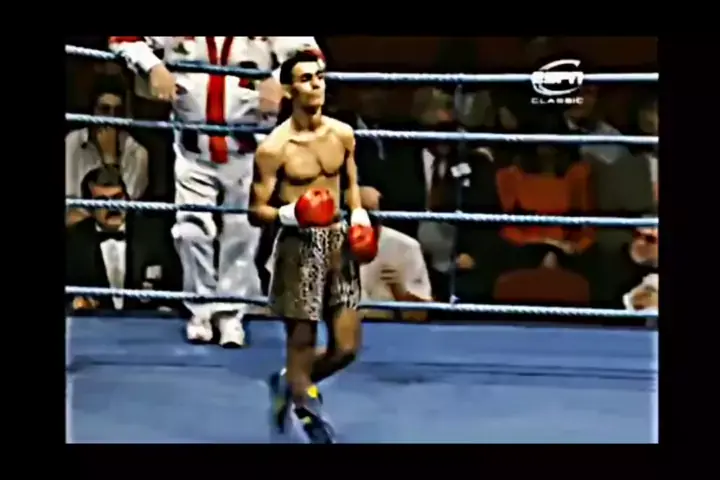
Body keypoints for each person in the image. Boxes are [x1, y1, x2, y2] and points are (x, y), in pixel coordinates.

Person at [109, 36, 321, 347]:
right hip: (193, 149)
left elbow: (311, 55)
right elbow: (122, 39)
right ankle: (200, 309)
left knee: (241, 233)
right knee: (190, 231)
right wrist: (152, 66)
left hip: (248, 149)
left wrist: (281, 80)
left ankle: (230, 314)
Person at [249, 50, 376, 443]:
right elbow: (256, 211)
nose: (317, 83)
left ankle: (289, 382)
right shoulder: (274, 148)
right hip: (298, 245)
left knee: (346, 347)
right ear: (288, 90)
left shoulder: (343, 134)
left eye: (319, 76)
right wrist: (293, 213)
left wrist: (359, 216)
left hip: (339, 241)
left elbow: (352, 185)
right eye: (306, 78)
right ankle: (308, 412)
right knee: (301, 342)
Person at [66, 165, 181, 313]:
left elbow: (175, 287)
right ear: (89, 208)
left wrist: (165, 309)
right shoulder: (73, 241)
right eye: (102, 201)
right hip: (93, 325)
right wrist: (75, 304)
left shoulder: (154, 235)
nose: (112, 206)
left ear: (127, 198)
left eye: (117, 197)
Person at [66, 75, 149, 226]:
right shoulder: (70, 143)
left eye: (118, 111)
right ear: (93, 111)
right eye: (105, 109)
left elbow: (122, 214)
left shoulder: (138, 153)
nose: (111, 117)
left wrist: (109, 158)